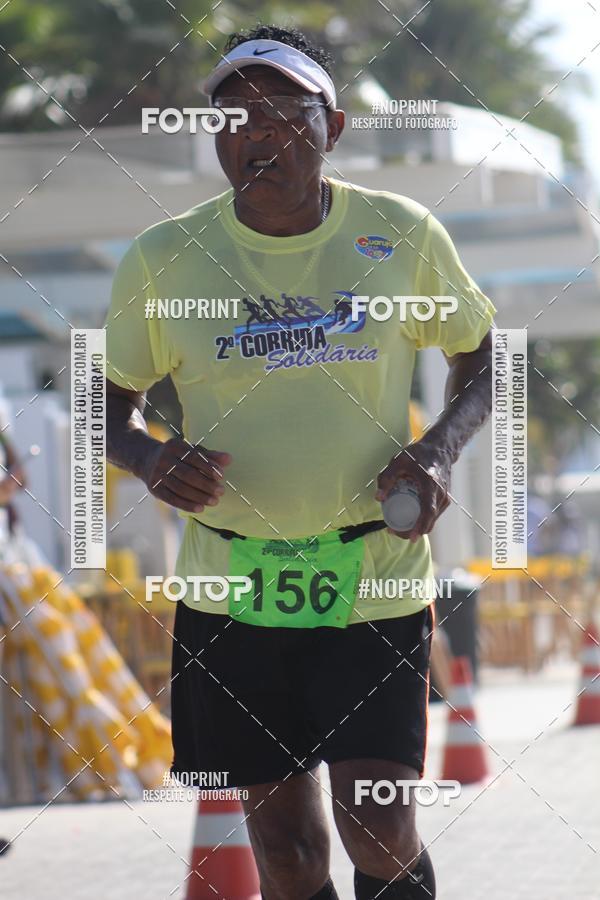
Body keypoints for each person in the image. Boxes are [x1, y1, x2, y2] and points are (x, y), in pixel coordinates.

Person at [105, 24, 495, 900]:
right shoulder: (166, 259)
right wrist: (146, 456)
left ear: (335, 127)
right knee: (283, 852)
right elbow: (109, 394)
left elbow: (484, 357)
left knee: (379, 822)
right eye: (235, 116)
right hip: (229, 586)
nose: (258, 133)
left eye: (286, 111)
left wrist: (437, 449)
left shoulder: (401, 236)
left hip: (376, 574)